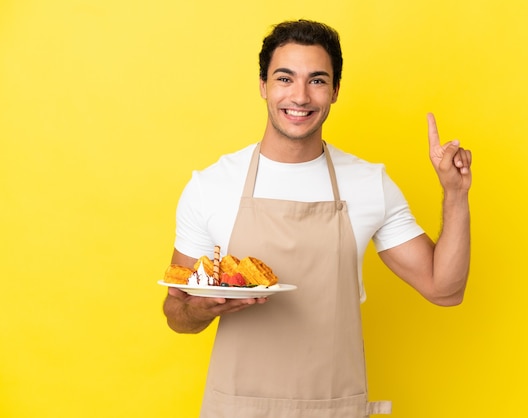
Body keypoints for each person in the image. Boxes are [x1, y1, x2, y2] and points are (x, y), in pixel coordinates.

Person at [163, 19, 472, 418]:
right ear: (263, 86)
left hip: (334, 407)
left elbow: (444, 290)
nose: (300, 96)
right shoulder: (211, 186)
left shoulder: (367, 183)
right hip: (237, 408)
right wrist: (198, 310)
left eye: (317, 80)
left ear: (335, 91)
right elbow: (177, 316)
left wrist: (455, 194)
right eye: (285, 78)